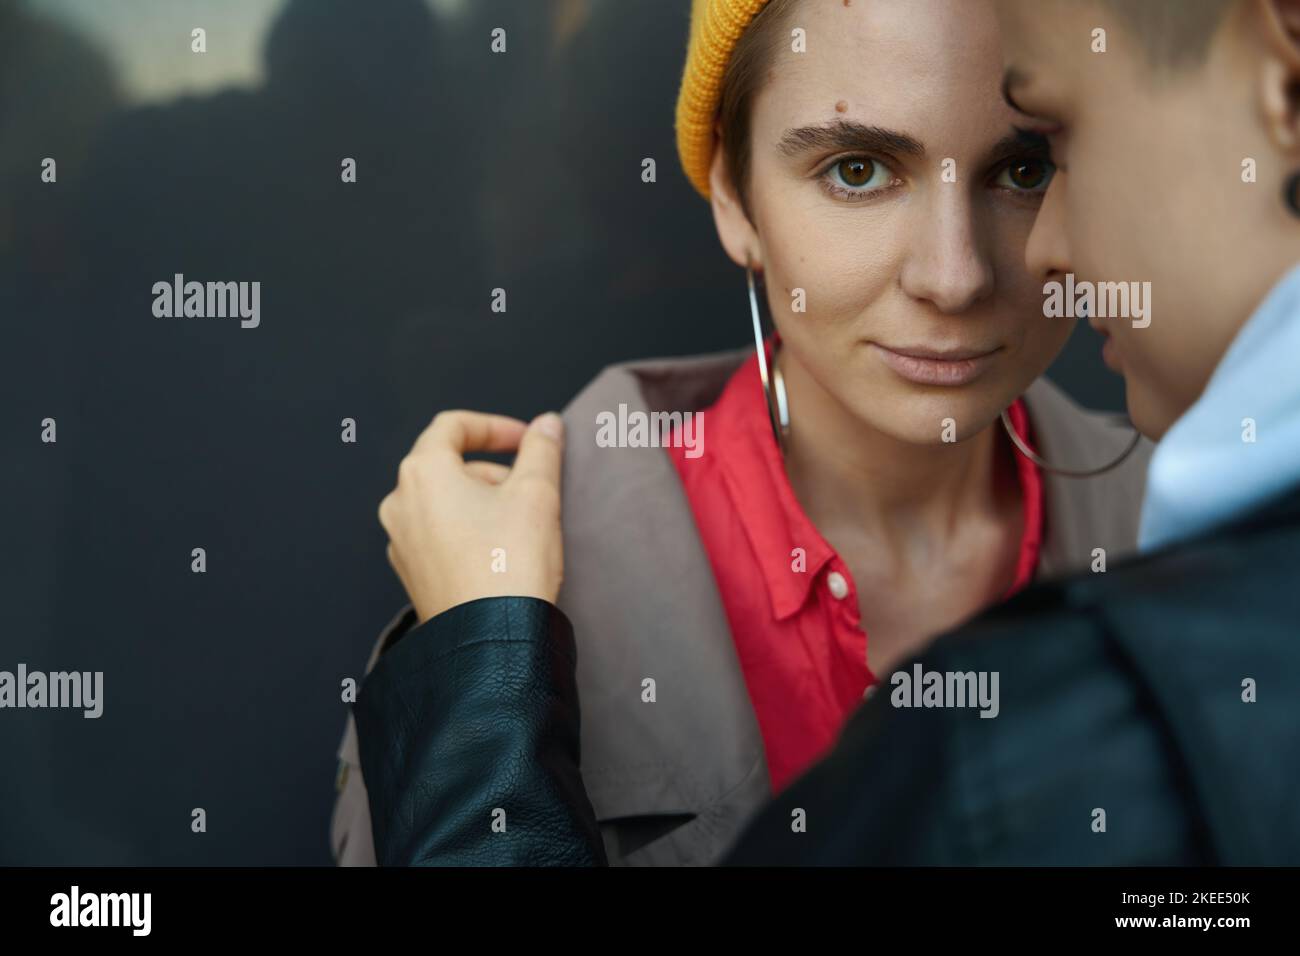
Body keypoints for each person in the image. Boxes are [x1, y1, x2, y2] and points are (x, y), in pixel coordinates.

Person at [351, 0, 1300, 866]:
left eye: (1025, 167)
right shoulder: (504, 614)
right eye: (858, 169)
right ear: (732, 193)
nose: (955, 275)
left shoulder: (1227, 532)